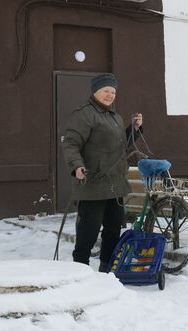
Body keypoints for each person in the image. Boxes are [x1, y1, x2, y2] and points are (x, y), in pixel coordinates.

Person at [62, 73, 143, 272]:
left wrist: (134, 128)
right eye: (106, 91)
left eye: (113, 91)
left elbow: (121, 147)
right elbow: (71, 143)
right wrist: (76, 165)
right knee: (88, 231)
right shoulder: (84, 114)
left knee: (113, 230)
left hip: (115, 184)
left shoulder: (115, 117)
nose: (109, 95)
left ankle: (106, 269)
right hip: (93, 182)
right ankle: (80, 270)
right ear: (95, 91)